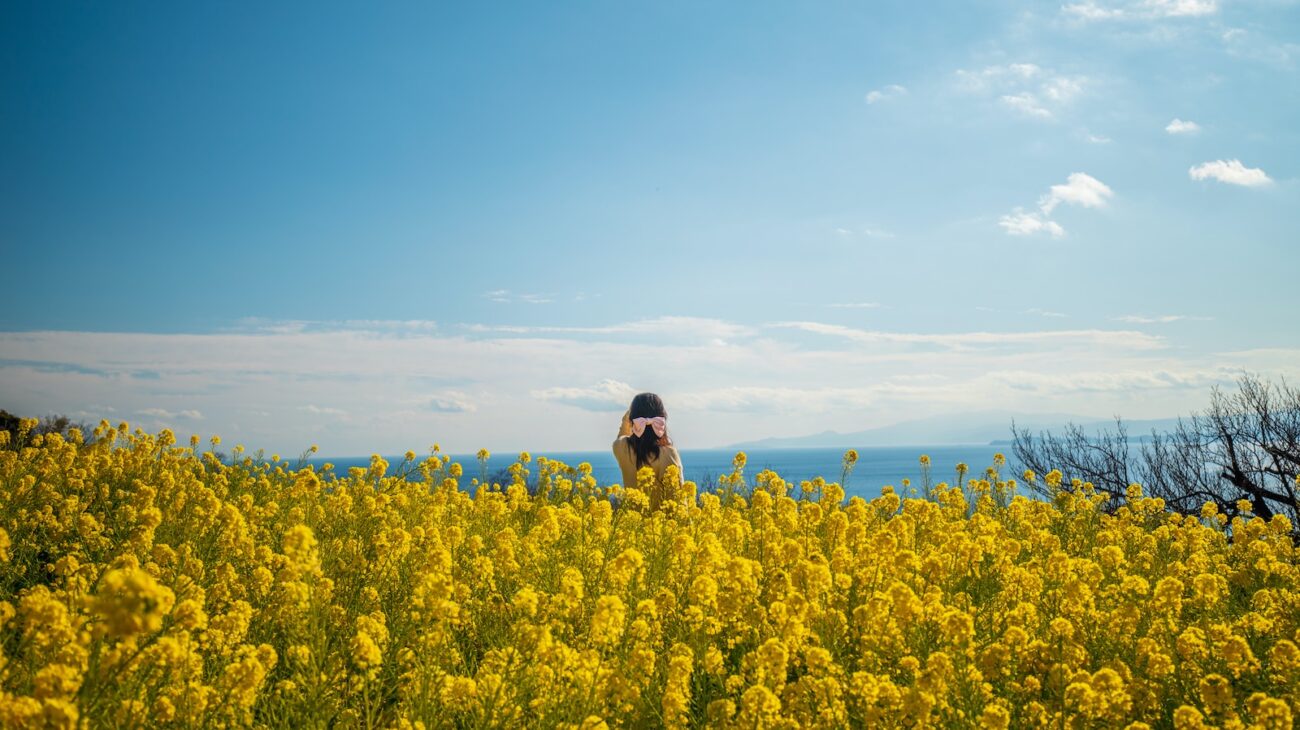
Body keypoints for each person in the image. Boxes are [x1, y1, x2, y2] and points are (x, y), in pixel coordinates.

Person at [613, 392, 683, 501]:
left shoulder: (620, 447)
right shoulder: (668, 453)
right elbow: (678, 500)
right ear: (662, 418)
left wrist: (630, 416)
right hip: (661, 518)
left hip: (632, 518)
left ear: (632, 418)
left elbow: (623, 434)